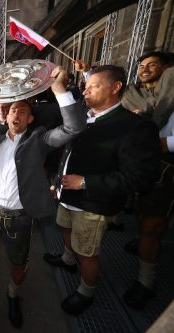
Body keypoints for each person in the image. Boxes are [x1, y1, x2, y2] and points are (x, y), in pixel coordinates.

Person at [0, 68, 86, 328]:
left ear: (30, 120)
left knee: (17, 262)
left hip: (19, 216)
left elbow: (74, 127)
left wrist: (59, 89)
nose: (16, 113)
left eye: (23, 111)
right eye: (13, 110)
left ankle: (13, 295)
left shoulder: (40, 139)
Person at [43, 65, 160, 315]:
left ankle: (86, 291)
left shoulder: (136, 127)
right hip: (66, 196)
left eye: (94, 86)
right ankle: (66, 259)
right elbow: (66, 153)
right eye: (86, 86)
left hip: (92, 203)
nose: (86, 91)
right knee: (65, 229)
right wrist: (57, 180)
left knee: (87, 253)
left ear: (116, 88)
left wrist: (85, 182)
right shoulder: (81, 117)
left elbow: (139, 178)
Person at [120, 51, 174, 309]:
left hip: (169, 167)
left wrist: (166, 143)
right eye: (141, 65)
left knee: (153, 226)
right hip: (149, 165)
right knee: (145, 219)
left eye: (152, 64)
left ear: (167, 68)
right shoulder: (141, 96)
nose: (145, 69)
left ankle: (146, 283)